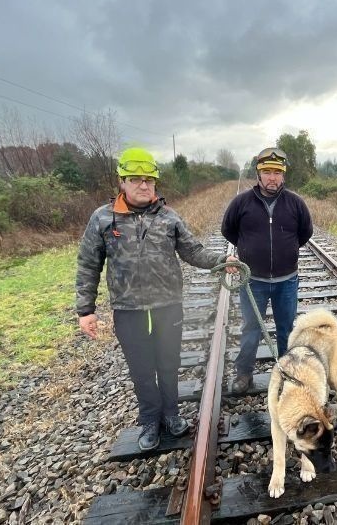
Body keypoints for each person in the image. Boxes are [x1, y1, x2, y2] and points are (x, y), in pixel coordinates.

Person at [76, 146, 236, 451]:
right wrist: (86, 309)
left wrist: (221, 261)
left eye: (148, 179)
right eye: (135, 179)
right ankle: (150, 420)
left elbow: (192, 251)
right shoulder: (102, 219)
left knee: (168, 363)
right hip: (128, 310)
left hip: (168, 307)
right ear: (121, 181)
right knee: (141, 368)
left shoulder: (168, 217)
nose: (143, 185)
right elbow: (88, 264)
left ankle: (172, 414)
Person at [221, 147, 314, 392]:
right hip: (254, 282)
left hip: (287, 281)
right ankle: (244, 375)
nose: (272, 177)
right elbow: (228, 230)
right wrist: (248, 250)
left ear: (283, 176)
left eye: (277, 172)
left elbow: (305, 233)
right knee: (251, 328)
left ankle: (288, 372)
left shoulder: (296, 203)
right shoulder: (241, 202)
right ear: (258, 174)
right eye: (267, 172)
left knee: (287, 329)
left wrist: (287, 251)